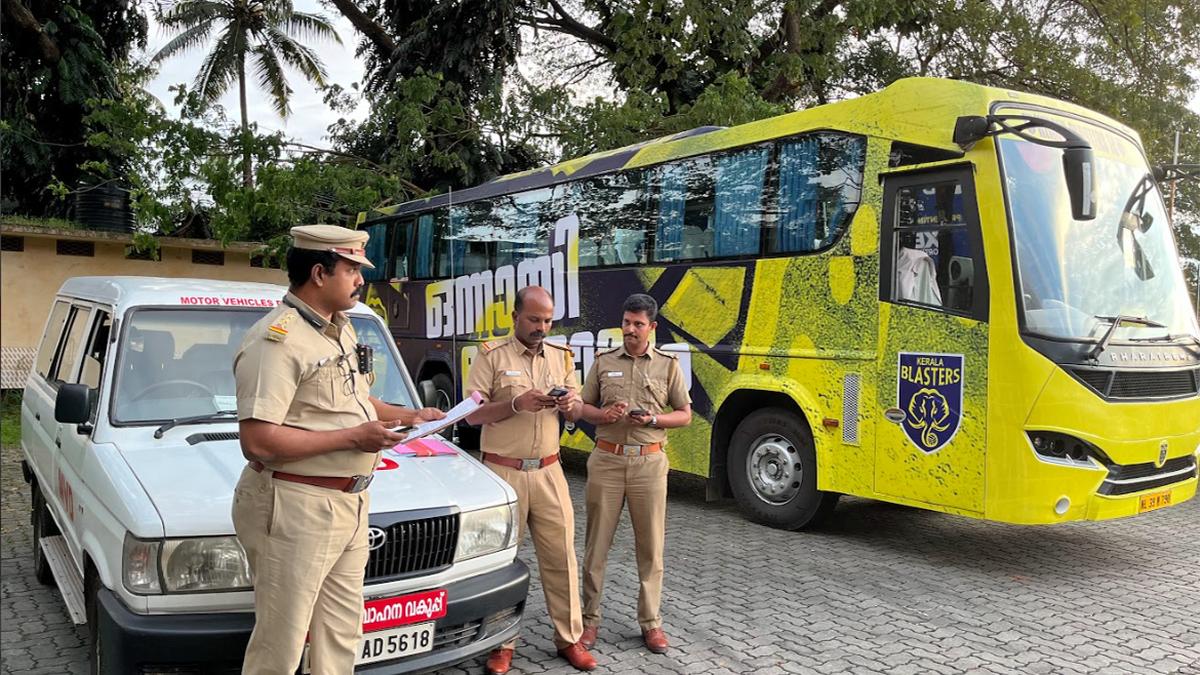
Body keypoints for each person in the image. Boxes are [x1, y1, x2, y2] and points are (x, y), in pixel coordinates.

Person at [231, 224, 444, 675]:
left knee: (341, 637)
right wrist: (353, 438)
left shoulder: (340, 330)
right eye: (351, 269)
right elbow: (258, 441)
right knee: (280, 647)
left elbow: (356, 402)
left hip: (349, 503)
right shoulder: (277, 340)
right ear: (319, 273)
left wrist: (411, 415)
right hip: (295, 505)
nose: (361, 280)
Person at [465, 286, 597, 674]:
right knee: (502, 562)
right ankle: (500, 643)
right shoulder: (491, 356)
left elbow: (576, 411)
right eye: (534, 319)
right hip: (503, 472)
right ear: (515, 317)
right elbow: (471, 415)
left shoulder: (561, 356)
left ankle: (569, 639)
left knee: (561, 558)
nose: (542, 327)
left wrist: (571, 405)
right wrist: (516, 404)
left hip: (550, 471)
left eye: (548, 320)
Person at [577, 293, 692, 654]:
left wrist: (654, 419)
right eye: (626, 322)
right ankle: (589, 620)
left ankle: (651, 623)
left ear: (651, 327)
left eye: (638, 324)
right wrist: (603, 416)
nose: (630, 329)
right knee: (596, 546)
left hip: (649, 464)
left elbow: (685, 414)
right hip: (607, 461)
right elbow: (582, 407)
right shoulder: (604, 362)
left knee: (651, 548)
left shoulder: (668, 365)